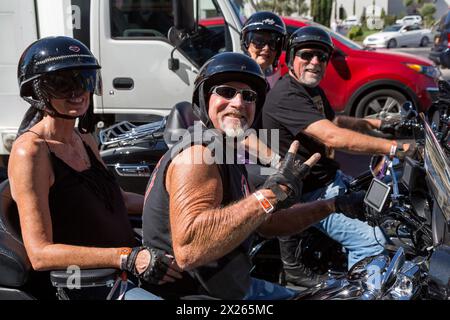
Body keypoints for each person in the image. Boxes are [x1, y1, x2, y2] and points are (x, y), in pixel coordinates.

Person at [141, 52, 365, 300]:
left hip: (235, 288)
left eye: (248, 96)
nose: (238, 103)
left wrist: (332, 206)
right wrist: (269, 195)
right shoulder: (197, 157)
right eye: (226, 92)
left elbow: (266, 223)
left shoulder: (224, 149)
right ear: (205, 99)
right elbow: (189, 250)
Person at [9, 36, 181, 300]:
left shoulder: (85, 139)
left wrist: (180, 207)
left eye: (84, 80)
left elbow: (118, 199)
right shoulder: (31, 151)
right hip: (87, 284)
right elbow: (40, 254)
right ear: (38, 92)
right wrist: (126, 257)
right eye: (62, 84)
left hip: (128, 268)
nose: (77, 92)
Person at [261, 26, 414, 287]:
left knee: (391, 212)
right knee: (372, 240)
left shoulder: (310, 90)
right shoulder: (287, 95)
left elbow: (334, 121)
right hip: (309, 193)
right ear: (291, 57)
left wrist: (377, 124)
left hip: (329, 179)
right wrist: (393, 147)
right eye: (307, 55)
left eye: (322, 57)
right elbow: (333, 136)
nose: (315, 62)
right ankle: (364, 289)